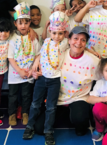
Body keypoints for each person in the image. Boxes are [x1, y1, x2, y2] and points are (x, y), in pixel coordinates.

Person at [33, 26, 100, 136]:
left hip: (79, 98)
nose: (79, 43)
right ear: (68, 40)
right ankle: (66, 114)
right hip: (58, 98)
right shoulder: (59, 54)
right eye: (76, 38)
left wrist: (95, 98)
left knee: (80, 128)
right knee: (39, 128)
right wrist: (37, 65)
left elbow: (103, 80)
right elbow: (45, 54)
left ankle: (77, 115)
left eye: (83, 40)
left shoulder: (93, 60)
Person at [23, 12, 69, 145]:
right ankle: (29, 126)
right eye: (54, 33)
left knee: (51, 107)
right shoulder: (47, 41)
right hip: (42, 79)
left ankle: (48, 131)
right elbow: (41, 54)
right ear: (50, 32)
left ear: (64, 33)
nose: (56, 36)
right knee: (35, 104)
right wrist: (35, 64)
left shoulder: (65, 43)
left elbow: (78, 44)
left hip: (55, 80)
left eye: (60, 33)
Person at [8, 2, 40, 126]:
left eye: (26, 23)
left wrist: (32, 69)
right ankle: (12, 114)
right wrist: (19, 71)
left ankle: (26, 113)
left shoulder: (33, 38)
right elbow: (10, 57)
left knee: (27, 95)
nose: (23, 25)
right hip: (15, 74)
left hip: (29, 73)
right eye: (20, 23)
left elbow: (38, 54)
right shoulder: (12, 38)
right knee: (13, 95)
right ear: (15, 23)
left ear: (30, 23)